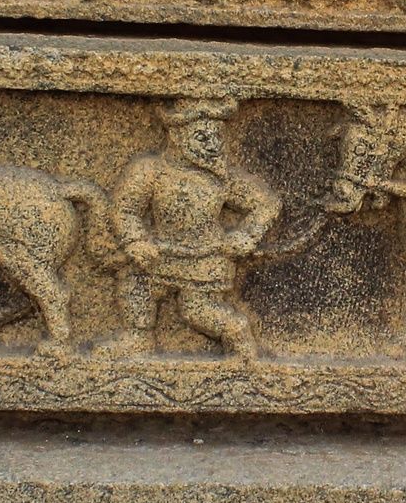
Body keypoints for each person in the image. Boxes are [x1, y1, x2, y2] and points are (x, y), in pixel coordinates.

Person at [107, 97, 278, 359]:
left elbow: (266, 202)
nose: (212, 146)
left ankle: (237, 334)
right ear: (176, 135)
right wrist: (135, 241)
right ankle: (138, 337)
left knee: (196, 310)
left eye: (217, 138)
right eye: (202, 137)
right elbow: (126, 209)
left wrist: (248, 234)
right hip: (160, 252)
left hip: (205, 257)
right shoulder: (149, 170)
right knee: (136, 283)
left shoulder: (221, 178)